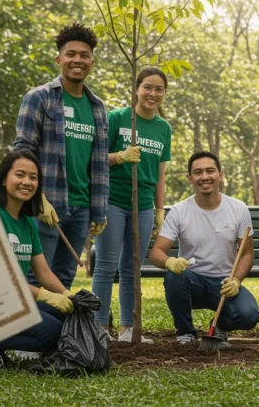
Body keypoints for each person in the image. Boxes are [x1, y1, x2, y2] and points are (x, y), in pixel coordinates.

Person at [13, 23, 109, 290]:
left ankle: (55, 321)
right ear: (59, 59)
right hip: (45, 205)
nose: (78, 60)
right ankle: (32, 321)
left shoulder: (97, 107)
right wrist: (36, 198)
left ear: (92, 62)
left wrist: (98, 209)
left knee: (64, 278)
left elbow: (100, 163)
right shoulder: (39, 98)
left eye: (84, 55)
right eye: (71, 54)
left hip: (81, 209)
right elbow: (22, 151)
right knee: (34, 277)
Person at [0, 151, 74, 371]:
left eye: (33, 177)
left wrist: (68, 296)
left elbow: (43, 272)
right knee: (54, 333)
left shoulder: (27, 221)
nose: (27, 182)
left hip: (13, 301)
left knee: (67, 315)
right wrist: (46, 296)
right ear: (3, 179)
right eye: (20, 175)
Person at [91, 68, 172, 343]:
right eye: (147, 87)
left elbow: (160, 172)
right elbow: (96, 157)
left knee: (132, 267)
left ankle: (129, 329)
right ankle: (99, 328)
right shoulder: (117, 118)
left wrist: (160, 211)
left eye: (159, 89)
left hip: (144, 205)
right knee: (106, 265)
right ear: (137, 89)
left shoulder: (163, 128)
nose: (153, 93)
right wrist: (121, 156)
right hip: (113, 200)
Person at [150, 151, 259, 348]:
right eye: (198, 172)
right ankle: (185, 333)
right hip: (192, 282)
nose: (205, 177)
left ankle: (220, 326)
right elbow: (156, 252)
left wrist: (236, 280)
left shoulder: (238, 209)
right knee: (174, 276)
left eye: (210, 171)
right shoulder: (179, 211)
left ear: (220, 175)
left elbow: (246, 254)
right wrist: (170, 261)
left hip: (225, 284)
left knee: (249, 315)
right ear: (190, 178)